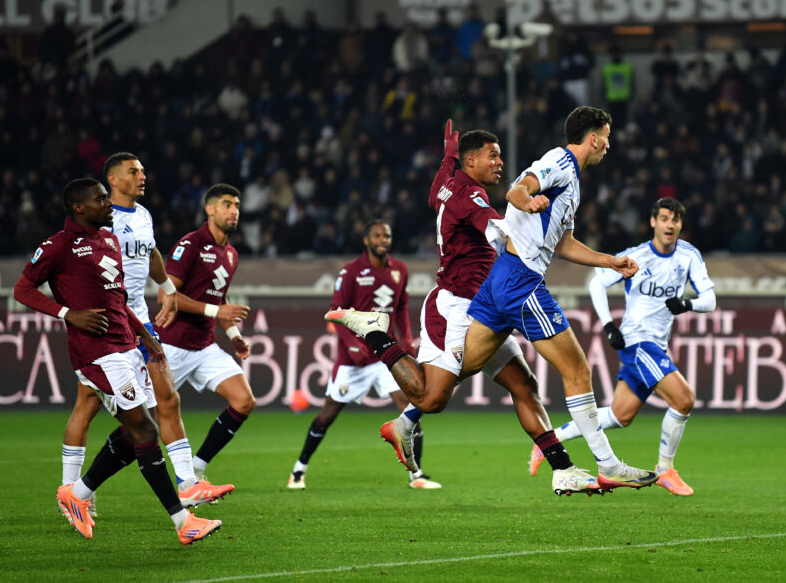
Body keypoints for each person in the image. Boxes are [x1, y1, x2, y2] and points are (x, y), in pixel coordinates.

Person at [338, 107, 658, 492]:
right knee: (576, 372)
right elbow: (517, 190)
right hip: (508, 284)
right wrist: (524, 202)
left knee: (491, 386)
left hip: (491, 287)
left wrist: (610, 261)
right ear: (594, 137)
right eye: (607, 136)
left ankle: (412, 423)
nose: (500, 162)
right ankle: (608, 464)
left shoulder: (568, 182)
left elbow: (563, 242)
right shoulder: (555, 162)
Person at [13, 178, 221, 545]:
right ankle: (183, 521)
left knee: (138, 429)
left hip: (127, 346)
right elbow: (23, 289)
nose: (108, 203)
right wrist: (66, 313)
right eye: (100, 199)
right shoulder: (57, 246)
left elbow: (118, 299)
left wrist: (144, 337)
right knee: (145, 431)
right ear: (78, 207)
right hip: (97, 354)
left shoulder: (109, 240)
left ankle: (76, 494)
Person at [61, 153, 235, 514]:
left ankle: (188, 484)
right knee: (87, 407)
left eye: (142, 169)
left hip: (140, 321)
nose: (142, 175)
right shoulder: (100, 222)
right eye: (133, 171)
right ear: (113, 180)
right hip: (110, 326)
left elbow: (152, 252)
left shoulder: (142, 215)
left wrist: (167, 288)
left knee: (167, 401)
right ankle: (72, 493)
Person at [547, 197, 717, 496]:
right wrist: (608, 325)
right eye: (664, 218)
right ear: (653, 222)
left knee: (619, 415)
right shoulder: (637, 256)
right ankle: (666, 470)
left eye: (675, 220)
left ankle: (552, 439)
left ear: (680, 224)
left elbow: (710, 300)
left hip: (656, 346)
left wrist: (687, 303)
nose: (670, 225)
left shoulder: (689, 255)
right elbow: (596, 283)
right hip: (638, 342)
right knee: (684, 399)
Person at [288, 220, 441, 490]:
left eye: (387, 236)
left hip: (386, 356)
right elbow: (336, 312)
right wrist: (353, 345)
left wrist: (405, 337)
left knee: (412, 404)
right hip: (354, 361)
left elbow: (402, 307)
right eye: (377, 235)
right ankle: (299, 469)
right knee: (328, 414)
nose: (383, 239)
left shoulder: (399, 270)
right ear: (366, 241)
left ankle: (415, 476)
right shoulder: (351, 272)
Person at [157, 183, 255, 483]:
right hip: (171, 346)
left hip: (204, 347)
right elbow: (166, 296)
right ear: (209, 209)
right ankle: (86, 488)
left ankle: (197, 469)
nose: (234, 211)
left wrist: (234, 335)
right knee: (140, 424)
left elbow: (219, 300)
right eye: (227, 204)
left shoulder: (231, 254)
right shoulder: (190, 245)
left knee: (244, 400)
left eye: (237, 205)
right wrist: (217, 313)